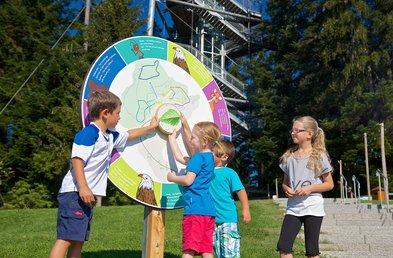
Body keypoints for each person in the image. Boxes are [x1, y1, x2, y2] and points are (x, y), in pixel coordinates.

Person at [49, 90, 159, 258]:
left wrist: (151, 127)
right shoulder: (88, 134)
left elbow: (129, 135)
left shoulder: (109, 136)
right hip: (74, 193)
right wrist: (84, 188)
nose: (119, 117)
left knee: (78, 240)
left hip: (84, 196)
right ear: (106, 113)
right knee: (65, 238)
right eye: (118, 113)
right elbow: (77, 160)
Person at [276, 116, 334, 258]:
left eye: (297, 130)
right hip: (293, 208)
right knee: (284, 246)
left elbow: (329, 184)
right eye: (292, 130)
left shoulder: (319, 156)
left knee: (312, 251)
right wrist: (285, 189)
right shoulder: (288, 157)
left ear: (310, 134)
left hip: (313, 206)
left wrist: (309, 189)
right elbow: (285, 183)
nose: (293, 133)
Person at [167, 118, 222, 258]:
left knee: (189, 249)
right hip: (208, 211)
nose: (190, 139)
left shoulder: (197, 158)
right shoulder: (209, 158)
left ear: (203, 141)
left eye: (193, 137)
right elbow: (181, 158)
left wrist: (172, 178)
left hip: (195, 210)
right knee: (206, 250)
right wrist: (172, 139)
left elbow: (188, 180)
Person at [210, 139, 251, 258]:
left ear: (224, 157)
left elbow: (241, 191)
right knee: (218, 253)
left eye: (212, 153)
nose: (209, 155)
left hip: (228, 218)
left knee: (230, 253)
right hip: (211, 220)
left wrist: (246, 209)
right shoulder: (205, 172)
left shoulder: (230, 173)